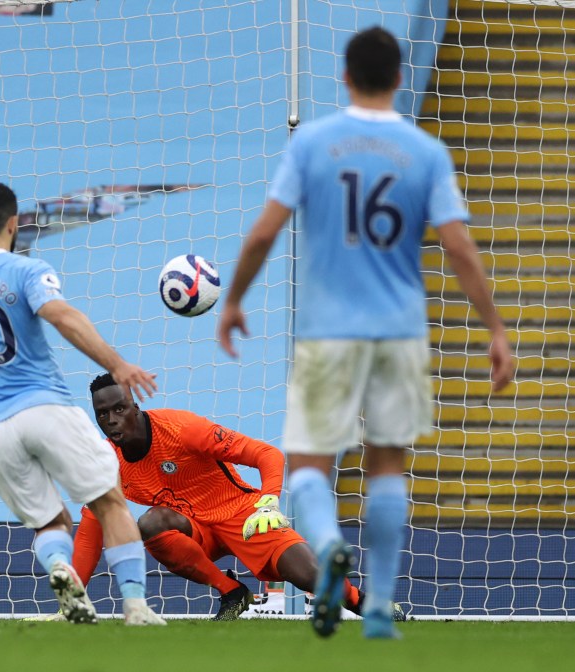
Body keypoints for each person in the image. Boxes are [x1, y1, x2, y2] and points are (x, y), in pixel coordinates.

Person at [218, 26, 515, 640]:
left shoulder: (316, 145)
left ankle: (327, 548)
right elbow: (458, 246)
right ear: (400, 80)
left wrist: (235, 301)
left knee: (307, 465)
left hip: (329, 333)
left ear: (345, 77)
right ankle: (378, 607)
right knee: (386, 467)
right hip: (400, 332)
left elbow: (264, 232)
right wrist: (495, 329)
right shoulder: (425, 152)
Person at [0, 177, 165, 626]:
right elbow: (62, 316)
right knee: (109, 501)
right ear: (14, 223)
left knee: (50, 523)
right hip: (44, 406)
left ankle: (58, 569)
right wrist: (118, 364)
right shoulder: (26, 270)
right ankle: (135, 607)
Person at [71, 373, 392, 622]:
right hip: (197, 530)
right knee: (151, 523)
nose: (112, 420)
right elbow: (90, 528)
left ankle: (360, 600)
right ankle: (232, 593)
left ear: (135, 407)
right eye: (102, 414)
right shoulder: (106, 462)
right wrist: (73, 596)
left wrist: (269, 500)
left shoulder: (183, 430)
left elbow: (267, 454)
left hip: (244, 517)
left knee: (310, 577)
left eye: (119, 408)